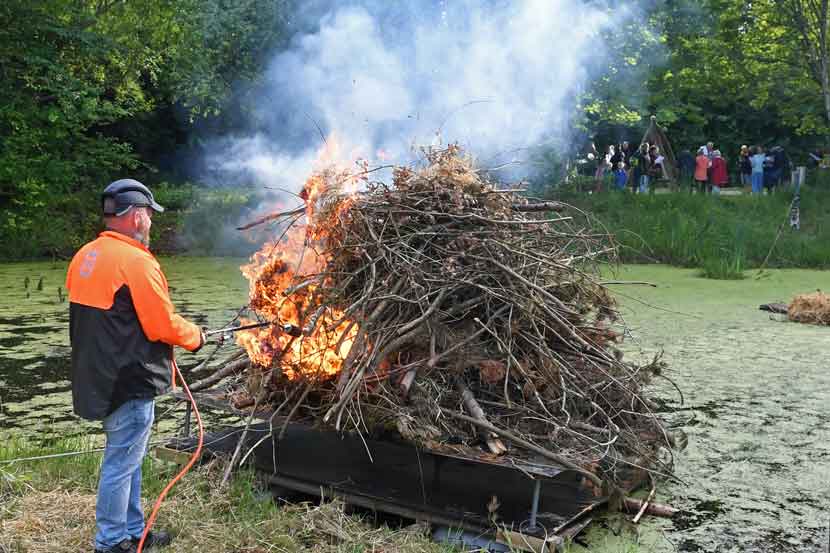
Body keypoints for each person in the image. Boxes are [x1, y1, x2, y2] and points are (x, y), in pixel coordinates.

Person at [66, 179, 206, 553]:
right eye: (148, 215)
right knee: (121, 461)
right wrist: (196, 337)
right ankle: (111, 542)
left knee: (128, 457)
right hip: (128, 380)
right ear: (136, 216)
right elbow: (162, 324)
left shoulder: (85, 255)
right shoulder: (136, 262)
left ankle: (134, 532)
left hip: (96, 377)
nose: (150, 223)